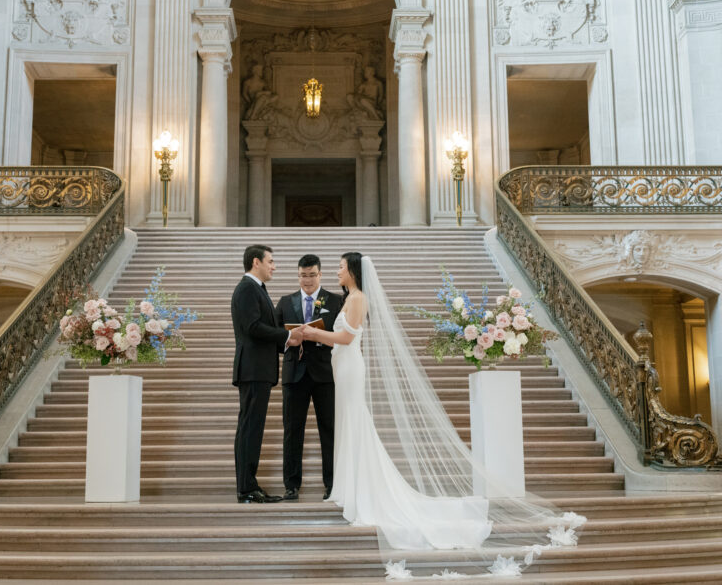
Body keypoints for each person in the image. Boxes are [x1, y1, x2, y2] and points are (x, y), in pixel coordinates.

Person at [300, 253, 584, 576]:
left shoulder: (358, 298)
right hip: (342, 367)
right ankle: (348, 488)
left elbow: (347, 337)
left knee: (354, 423)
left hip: (350, 367)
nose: (337, 271)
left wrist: (313, 334)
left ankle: (358, 492)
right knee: (348, 424)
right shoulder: (349, 297)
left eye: (340, 266)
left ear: (353, 270)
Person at [231, 245, 303, 504]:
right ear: (256, 262)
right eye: (270, 261)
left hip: (257, 369)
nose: (274, 266)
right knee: (250, 429)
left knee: (251, 428)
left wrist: (287, 341)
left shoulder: (255, 288)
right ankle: (247, 488)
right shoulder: (247, 289)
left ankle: (248, 485)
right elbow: (253, 327)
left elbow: (261, 329)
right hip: (253, 369)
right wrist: (287, 335)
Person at [274, 255, 342, 501]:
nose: (307, 280)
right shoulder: (285, 302)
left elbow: (343, 335)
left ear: (320, 274)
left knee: (329, 429)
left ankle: (332, 484)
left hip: (325, 373)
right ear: (298, 276)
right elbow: (274, 337)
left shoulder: (336, 301)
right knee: (292, 429)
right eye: (303, 275)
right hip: (294, 373)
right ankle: (291, 485)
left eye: (312, 275)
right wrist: (288, 340)